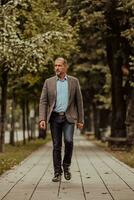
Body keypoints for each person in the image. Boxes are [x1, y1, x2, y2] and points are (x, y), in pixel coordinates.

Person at [39, 57, 84, 182]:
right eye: (55, 66)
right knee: (56, 145)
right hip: (54, 117)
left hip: (69, 117)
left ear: (65, 67)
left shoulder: (74, 82)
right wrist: (42, 118)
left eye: (59, 65)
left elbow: (79, 102)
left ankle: (66, 165)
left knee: (69, 141)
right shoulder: (49, 82)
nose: (57, 68)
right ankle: (57, 172)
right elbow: (43, 101)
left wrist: (81, 120)